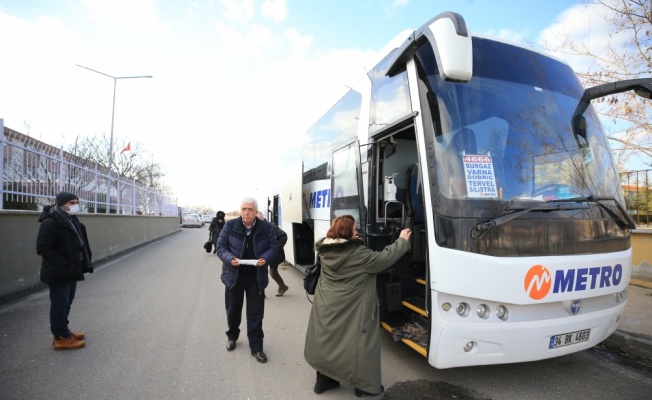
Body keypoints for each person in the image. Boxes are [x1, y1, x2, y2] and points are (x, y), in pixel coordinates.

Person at [304, 215, 411, 397]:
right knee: (361, 343)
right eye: (354, 230)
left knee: (325, 341)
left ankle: (324, 380)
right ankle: (364, 386)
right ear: (347, 232)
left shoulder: (325, 250)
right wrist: (402, 241)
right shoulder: (359, 255)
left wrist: (354, 241)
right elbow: (385, 258)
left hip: (325, 305)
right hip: (353, 307)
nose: (357, 232)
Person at [216, 197, 278, 363]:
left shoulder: (266, 227)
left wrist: (266, 257)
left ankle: (257, 347)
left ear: (256, 212)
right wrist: (230, 258)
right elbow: (220, 247)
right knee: (233, 310)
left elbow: (274, 247)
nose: (246, 212)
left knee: (256, 314)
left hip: (255, 278)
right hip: (234, 277)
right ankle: (232, 336)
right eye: (243, 209)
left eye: (250, 209)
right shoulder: (230, 226)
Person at [36, 191, 93, 350]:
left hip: (71, 270)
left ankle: (64, 330)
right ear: (61, 204)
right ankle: (60, 338)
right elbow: (43, 248)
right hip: (59, 271)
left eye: (76, 202)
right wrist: (63, 264)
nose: (75, 205)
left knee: (67, 301)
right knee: (59, 304)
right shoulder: (51, 223)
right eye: (71, 203)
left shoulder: (71, 220)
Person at [257, 212, 289, 296]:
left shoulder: (271, 226)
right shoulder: (257, 227)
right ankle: (262, 292)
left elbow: (284, 236)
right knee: (261, 271)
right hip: (264, 254)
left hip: (275, 255)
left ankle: (283, 287)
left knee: (272, 272)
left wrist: (276, 248)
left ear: (262, 219)